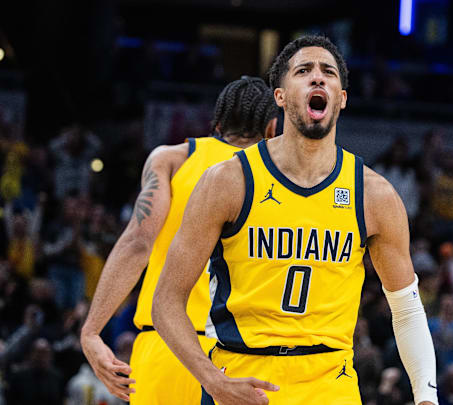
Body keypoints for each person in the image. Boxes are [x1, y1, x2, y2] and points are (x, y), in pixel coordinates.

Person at [152, 35, 438, 405]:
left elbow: (407, 308)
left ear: (343, 97)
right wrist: (211, 381)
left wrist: (427, 397)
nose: (318, 78)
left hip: (329, 383)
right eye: (304, 71)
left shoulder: (375, 195)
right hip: (241, 377)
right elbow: (166, 301)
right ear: (281, 96)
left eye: (328, 73)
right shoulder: (228, 181)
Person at [80, 76, 279, 403]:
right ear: (272, 128)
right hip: (242, 359)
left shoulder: (172, 159)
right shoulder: (281, 179)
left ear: (216, 124)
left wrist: (91, 331)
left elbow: (138, 241)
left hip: (165, 349)